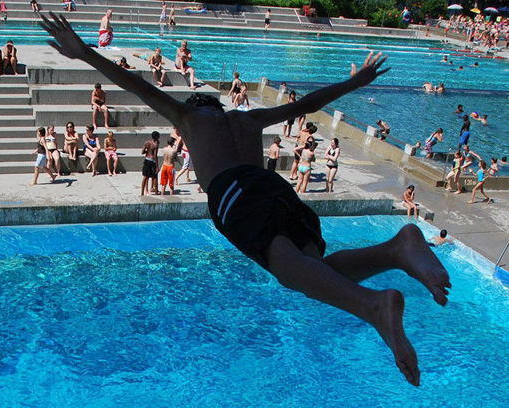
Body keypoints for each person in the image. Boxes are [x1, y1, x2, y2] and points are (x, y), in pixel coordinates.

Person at [40, 15, 452, 385]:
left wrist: (83, 52)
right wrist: (353, 82)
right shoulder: (247, 118)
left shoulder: (189, 117)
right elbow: (306, 105)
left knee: (291, 272)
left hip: (237, 193)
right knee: (312, 271)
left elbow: (136, 84)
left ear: (190, 110)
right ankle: (397, 250)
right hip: (275, 189)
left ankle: (375, 308)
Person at [141, 131, 160, 195]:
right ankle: (156, 193)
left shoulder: (147, 142)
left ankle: (142, 193)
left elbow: (142, 152)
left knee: (145, 177)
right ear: (156, 137)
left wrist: (147, 152)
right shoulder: (156, 144)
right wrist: (157, 166)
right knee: (154, 177)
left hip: (146, 160)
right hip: (152, 161)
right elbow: (155, 156)